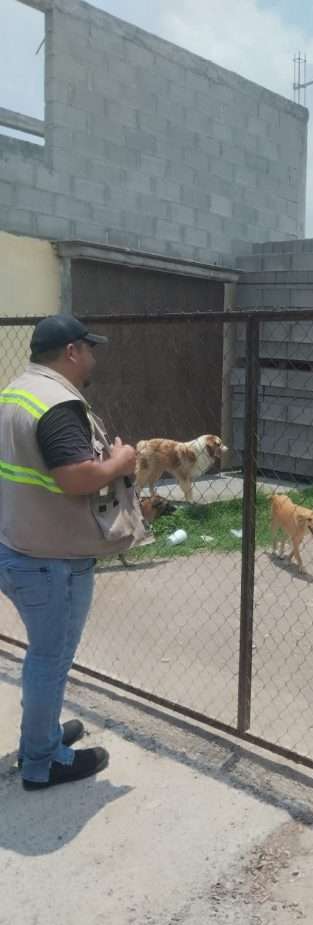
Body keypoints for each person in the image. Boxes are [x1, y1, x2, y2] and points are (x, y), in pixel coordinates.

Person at [0, 315, 146, 790]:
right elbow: (75, 477)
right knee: (51, 657)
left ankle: (40, 733)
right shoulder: (58, 403)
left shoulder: (15, 391)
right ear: (71, 352)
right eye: (90, 348)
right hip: (51, 560)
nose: (93, 356)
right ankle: (42, 761)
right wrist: (120, 462)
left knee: (46, 655)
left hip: (18, 544)